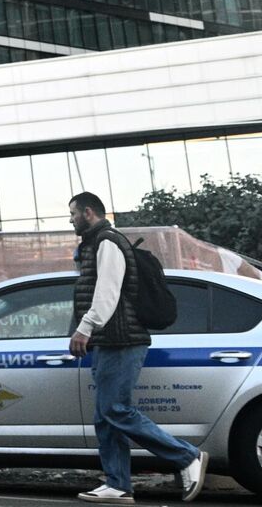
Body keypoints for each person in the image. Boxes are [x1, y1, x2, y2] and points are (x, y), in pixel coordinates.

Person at [68, 192, 207, 504]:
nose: (71, 220)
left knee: (116, 409)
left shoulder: (107, 241)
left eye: (73, 214)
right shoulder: (97, 243)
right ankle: (118, 484)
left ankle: (187, 456)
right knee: (105, 416)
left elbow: (107, 293)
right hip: (111, 340)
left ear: (89, 213)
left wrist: (84, 328)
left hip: (121, 339)